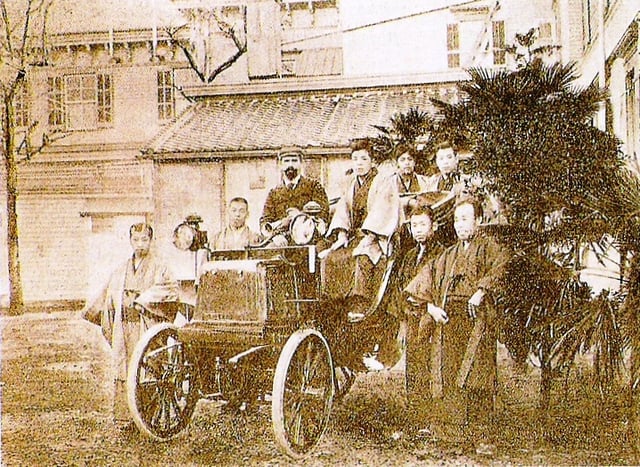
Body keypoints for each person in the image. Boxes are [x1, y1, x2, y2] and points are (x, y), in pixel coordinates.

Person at [404, 197, 510, 452]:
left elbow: (502, 267)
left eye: (465, 219)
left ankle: (482, 435)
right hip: (449, 319)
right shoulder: (448, 254)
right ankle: (454, 433)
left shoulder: (491, 247)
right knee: (449, 370)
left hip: (477, 319)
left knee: (478, 373)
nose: (460, 225)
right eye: (456, 220)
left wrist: (482, 290)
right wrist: (431, 307)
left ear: (478, 221)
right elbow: (424, 281)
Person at [81, 223, 179, 428]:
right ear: (130, 241)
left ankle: (147, 416)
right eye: (136, 240)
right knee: (124, 369)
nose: (140, 244)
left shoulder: (160, 267)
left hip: (146, 324)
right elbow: (108, 296)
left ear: (151, 241)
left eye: (144, 239)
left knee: (148, 367)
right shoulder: (121, 270)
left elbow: (170, 290)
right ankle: (125, 418)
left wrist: (143, 299)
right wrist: (95, 311)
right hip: (124, 325)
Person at [385, 198, 444, 411]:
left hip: (431, 319)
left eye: (423, 225)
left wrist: (426, 306)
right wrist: (402, 320)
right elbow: (400, 288)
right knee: (414, 365)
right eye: (414, 225)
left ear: (433, 226)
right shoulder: (409, 256)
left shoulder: (441, 254)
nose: (418, 230)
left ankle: (431, 415)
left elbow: (437, 288)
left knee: (432, 365)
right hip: (411, 318)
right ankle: (415, 412)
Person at [260, 147, 329, 247]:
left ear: (301, 163)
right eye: (287, 161)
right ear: (280, 165)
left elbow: (323, 214)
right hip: (281, 241)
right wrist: (274, 236)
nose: (290, 165)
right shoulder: (274, 193)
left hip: (309, 238)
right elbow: (265, 221)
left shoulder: (314, 186)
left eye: (294, 161)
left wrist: (299, 217)